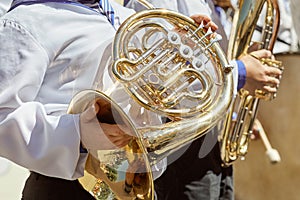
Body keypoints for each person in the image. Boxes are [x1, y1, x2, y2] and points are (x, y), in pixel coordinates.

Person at [0, 0, 223, 199]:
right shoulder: (27, 21)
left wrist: (180, 52)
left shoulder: (126, 16)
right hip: (61, 187)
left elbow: (147, 95)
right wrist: (78, 135)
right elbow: (2, 115)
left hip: (127, 178)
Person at [125, 0, 282, 199]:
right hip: (178, 146)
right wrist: (241, 73)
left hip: (206, 140)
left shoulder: (208, 5)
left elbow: (205, 67)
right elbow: (157, 82)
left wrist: (230, 117)